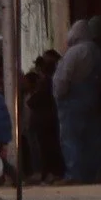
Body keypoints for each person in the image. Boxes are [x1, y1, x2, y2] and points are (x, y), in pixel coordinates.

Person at [53, 16, 101, 183]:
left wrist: (59, 94)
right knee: (91, 139)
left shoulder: (75, 52)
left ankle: (75, 174)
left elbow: (63, 77)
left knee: (71, 139)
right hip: (92, 98)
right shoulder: (97, 52)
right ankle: (92, 174)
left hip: (72, 101)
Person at [26, 53, 63, 184]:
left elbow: (33, 101)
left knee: (45, 149)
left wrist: (31, 98)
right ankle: (48, 173)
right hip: (47, 120)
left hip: (44, 121)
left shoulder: (45, 82)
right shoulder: (50, 81)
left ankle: (47, 173)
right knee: (47, 147)